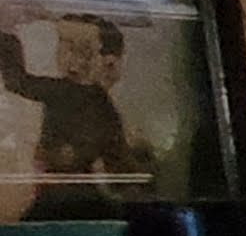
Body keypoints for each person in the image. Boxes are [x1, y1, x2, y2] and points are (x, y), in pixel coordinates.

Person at [2, 15, 148, 204]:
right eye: (64, 45)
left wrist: (7, 36)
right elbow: (116, 160)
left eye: (84, 50)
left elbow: (18, 82)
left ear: (108, 62)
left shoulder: (67, 92)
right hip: (74, 186)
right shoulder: (101, 102)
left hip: (62, 188)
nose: (69, 57)